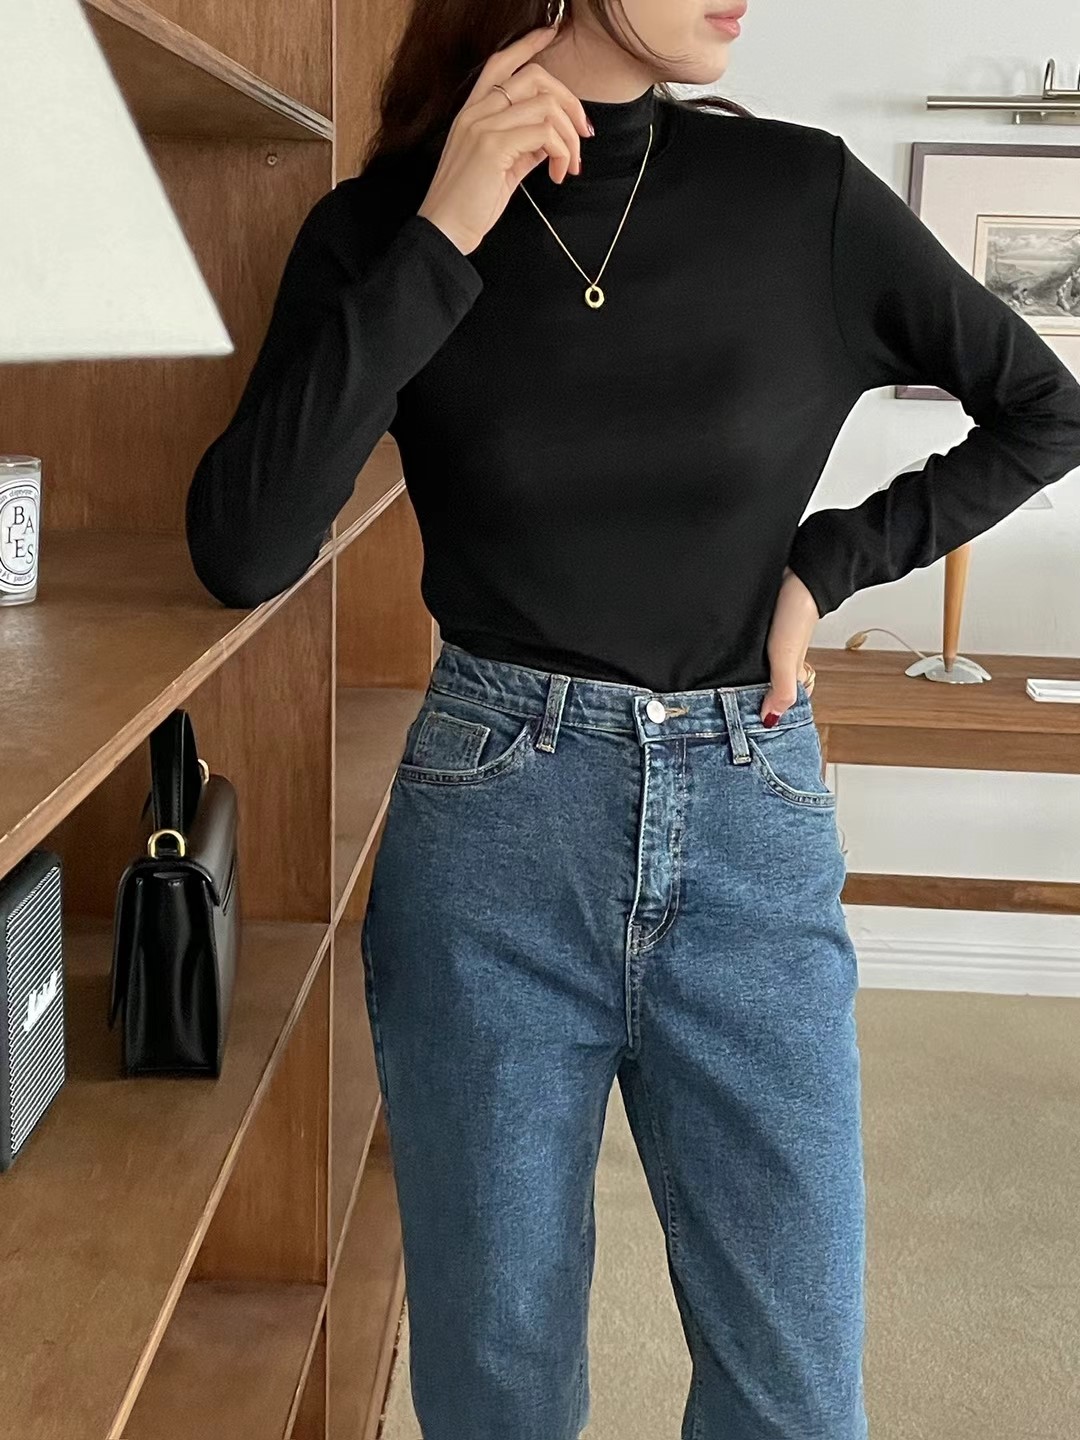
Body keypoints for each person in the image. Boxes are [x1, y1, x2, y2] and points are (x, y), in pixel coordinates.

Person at [184, 3, 1080, 1437]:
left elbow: (1045, 408)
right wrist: (446, 230)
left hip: (748, 815)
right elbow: (243, 548)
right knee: (499, 1383)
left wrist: (826, 565)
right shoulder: (384, 232)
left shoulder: (801, 197)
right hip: (493, 834)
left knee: (796, 1393)